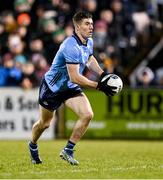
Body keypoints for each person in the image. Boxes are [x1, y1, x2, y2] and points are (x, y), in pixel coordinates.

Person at [28, 11, 116, 165]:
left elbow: (89, 58)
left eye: (92, 23)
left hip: (69, 87)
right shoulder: (70, 45)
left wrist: (103, 75)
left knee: (87, 114)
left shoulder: (89, 42)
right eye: (87, 24)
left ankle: (68, 150)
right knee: (45, 123)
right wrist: (99, 86)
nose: (91, 27)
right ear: (77, 27)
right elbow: (75, 77)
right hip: (52, 88)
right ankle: (33, 145)